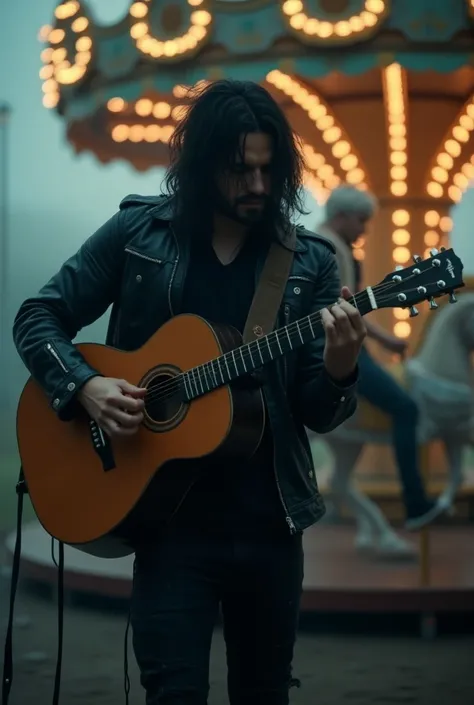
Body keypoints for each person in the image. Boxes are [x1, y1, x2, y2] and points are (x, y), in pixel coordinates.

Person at [13, 80, 366, 705]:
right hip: (168, 526)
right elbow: (38, 316)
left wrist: (340, 365)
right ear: (203, 165)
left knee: (264, 693)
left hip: (269, 526)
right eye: (239, 171)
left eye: (267, 170)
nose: (258, 186)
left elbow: (318, 409)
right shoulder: (137, 234)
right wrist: (85, 385)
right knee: (172, 693)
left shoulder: (308, 262)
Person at [317, 184, 445, 530]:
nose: (364, 229)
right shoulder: (332, 249)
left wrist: (386, 340)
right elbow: (343, 308)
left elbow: (349, 304)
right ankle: (415, 503)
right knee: (407, 409)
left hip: (347, 346)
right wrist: (386, 340)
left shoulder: (334, 246)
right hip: (342, 352)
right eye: (360, 220)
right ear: (341, 216)